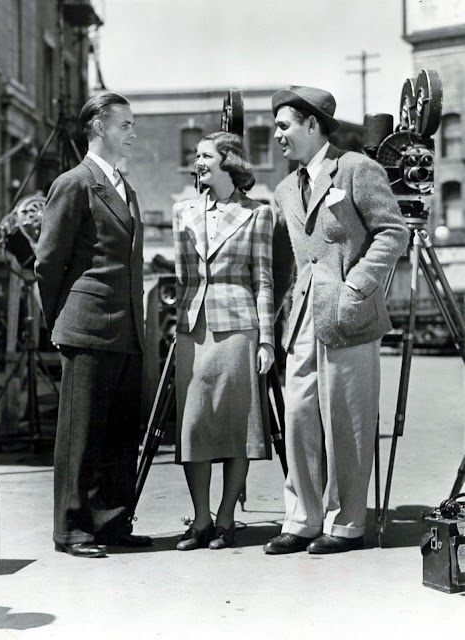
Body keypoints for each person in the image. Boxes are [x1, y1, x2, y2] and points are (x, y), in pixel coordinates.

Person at [263, 86, 409, 555]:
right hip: (303, 318)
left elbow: (393, 232)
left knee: (347, 420)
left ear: (312, 125)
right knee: (299, 416)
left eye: (284, 125)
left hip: (349, 314)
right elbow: (290, 259)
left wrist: (356, 287)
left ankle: (347, 522)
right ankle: (302, 519)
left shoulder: (356, 169)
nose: (277, 135)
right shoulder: (285, 189)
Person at [35, 93, 152, 558]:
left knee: (120, 432)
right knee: (80, 434)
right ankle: (72, 528)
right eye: (125, 124)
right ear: (100, 127)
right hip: (87, 325)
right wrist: (61, 319)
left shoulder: (125, 188)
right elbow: (48, 262)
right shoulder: (74, 183)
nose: (132, 133)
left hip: (126, 327)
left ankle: (111, 522)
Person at [172, 131, 275, 550]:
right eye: (196, 155)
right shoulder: (182, 211)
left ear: (228, 161)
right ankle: (200, 520)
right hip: (193, 328)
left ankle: (226, 518)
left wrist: (267, 341)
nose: (197, 162)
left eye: (205, 156)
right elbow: (182, 278)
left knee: (237, 425)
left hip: (238, 328)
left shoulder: (258, 213)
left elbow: (263, 280)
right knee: (193, 425)